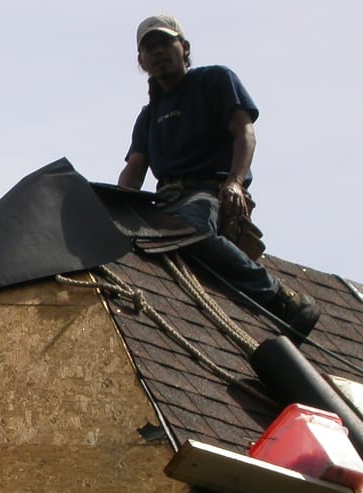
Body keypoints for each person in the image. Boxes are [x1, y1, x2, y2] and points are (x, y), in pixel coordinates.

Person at [118, 14, 320, 337]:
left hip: (208, 190)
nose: (157, 52)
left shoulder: (214, 81)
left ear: (184, 48)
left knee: (191, 230)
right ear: (140, 60)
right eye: (149, 48)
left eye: (165, 44)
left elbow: (245, 131)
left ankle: (281, 298)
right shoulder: (148, 115)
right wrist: (113, 209)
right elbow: (135, 168)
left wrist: (235, 183)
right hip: (166, 201)